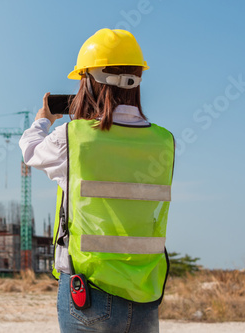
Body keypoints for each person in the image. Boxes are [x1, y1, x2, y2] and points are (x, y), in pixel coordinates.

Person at [19, 28, 175, 332]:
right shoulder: (164, 142)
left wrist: (43, 119)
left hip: (88, 292)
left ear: (90, 81)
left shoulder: (73, 138)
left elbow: (30, 151)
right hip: (145, 291)